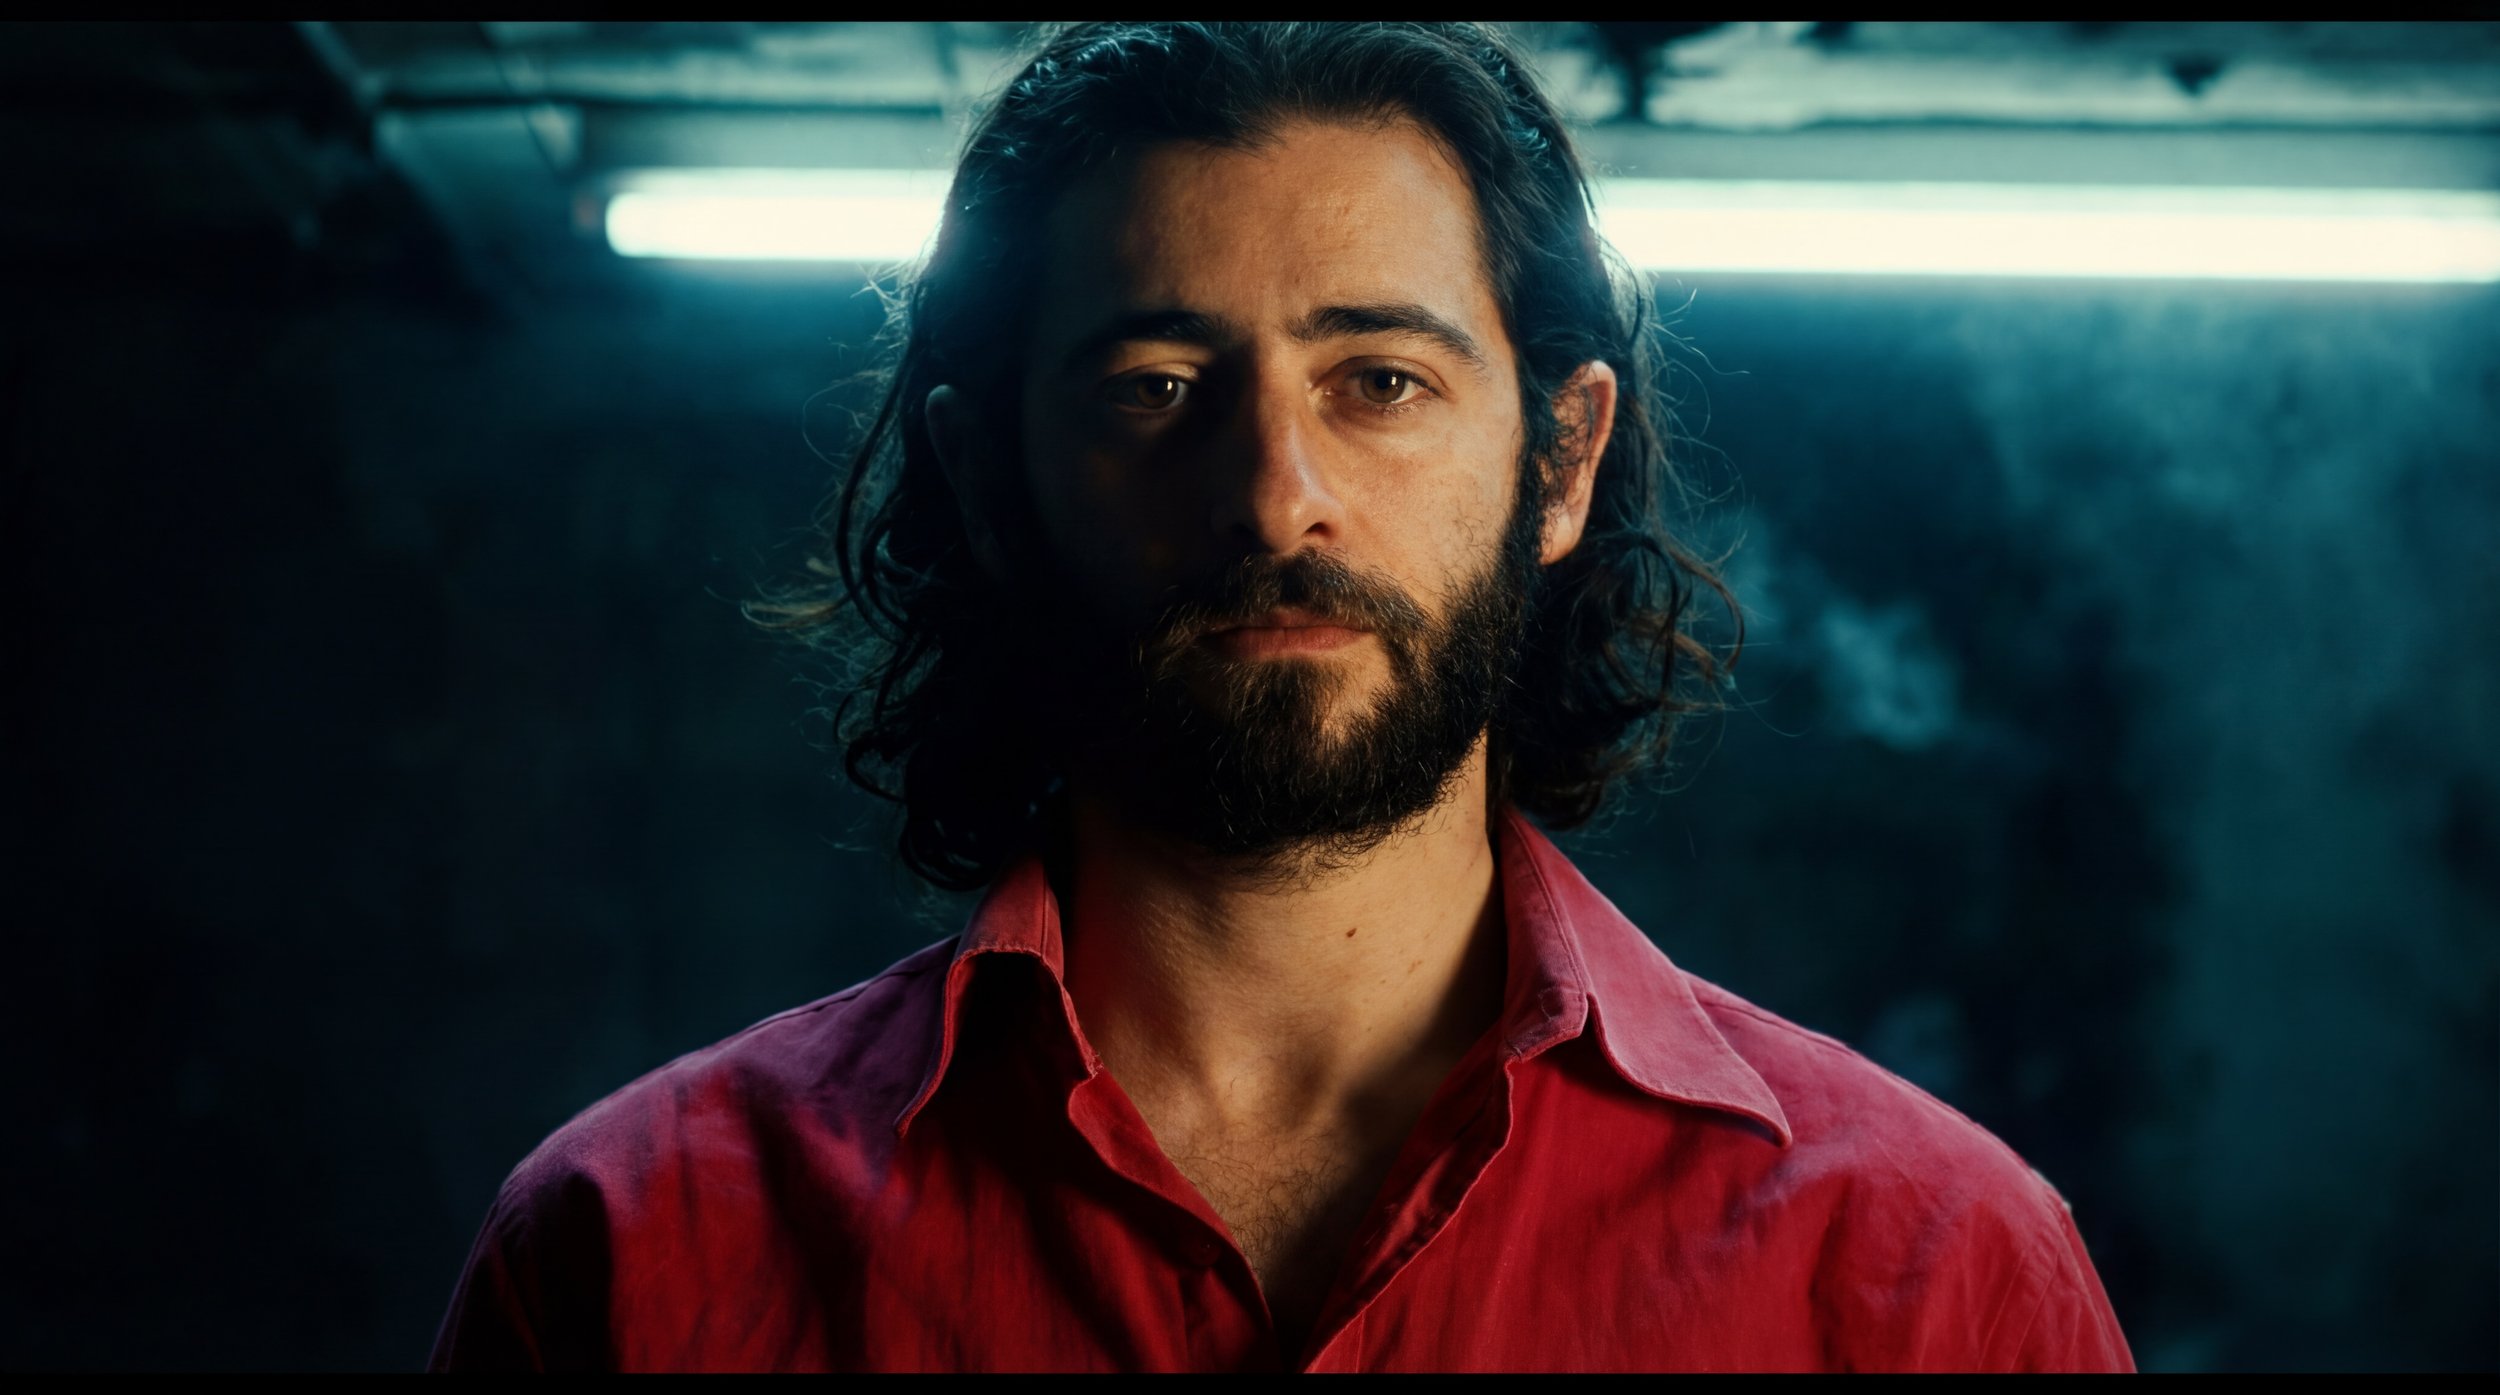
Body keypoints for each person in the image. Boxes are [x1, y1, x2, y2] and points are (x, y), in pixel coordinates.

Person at [429, 21, 2133, 1373]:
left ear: (1561, 461)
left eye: (1379, 381)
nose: (1272, 496)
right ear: (992, 482)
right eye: (1158, 387)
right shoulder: (635, 1256)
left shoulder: (1936, 1274)